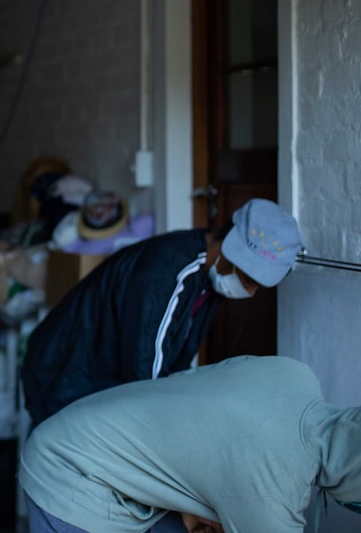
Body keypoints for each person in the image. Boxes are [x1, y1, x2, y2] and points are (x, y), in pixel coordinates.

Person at [21, 198, 303, 425]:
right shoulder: (167, 275)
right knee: (63, 476)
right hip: (64, 372)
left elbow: (168, 365)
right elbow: (147, 376)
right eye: (248, 278)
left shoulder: (209, 273)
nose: (251, 291)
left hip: (94, 375)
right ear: (228, 246)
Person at [19, 355, 361, 533]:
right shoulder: (273, 491)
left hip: (84, 431)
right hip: (72, 473)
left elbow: (190, 386)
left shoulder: (295, 373)